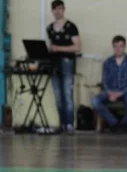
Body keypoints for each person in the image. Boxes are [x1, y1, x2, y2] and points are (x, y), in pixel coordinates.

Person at [46, 0, 81, 134]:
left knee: (67, 94)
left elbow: (77, 47)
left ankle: (70, 125)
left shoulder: (71, 26)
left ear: (64, 9)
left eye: (60, 8)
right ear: (52, 11)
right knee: (58, 96)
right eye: (55, 9)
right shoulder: (50, 28)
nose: (57, 11)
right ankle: (62, 124)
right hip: (54, 64)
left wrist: (58, 48)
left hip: (67, 63)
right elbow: (51, 45)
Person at [92, 35, 127, 133]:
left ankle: (124, 124)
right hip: (110, 91)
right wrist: (110, 93)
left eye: (120, 46)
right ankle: (114, 123)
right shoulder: (107, 62)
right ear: (113, 47)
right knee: (95, 101)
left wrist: (120, 93)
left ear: (124, 47)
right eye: (116, 46)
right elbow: (104, 81)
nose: (118, 49)